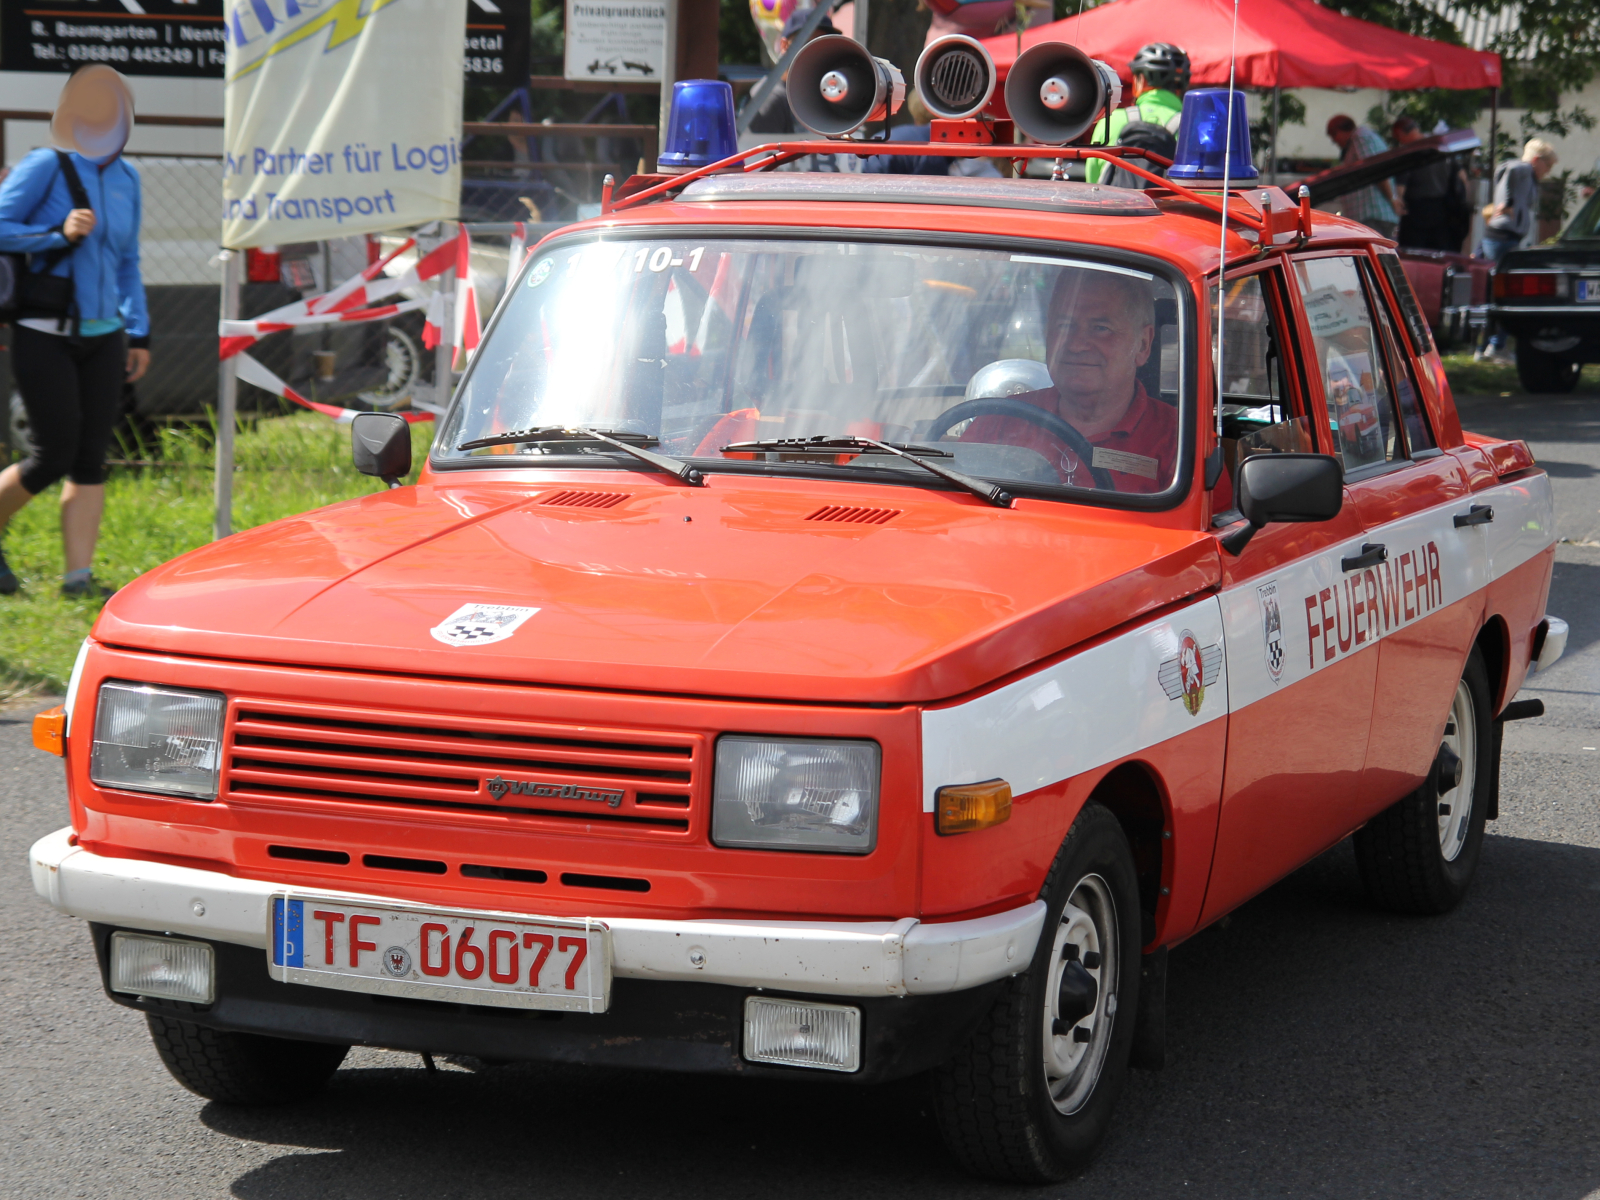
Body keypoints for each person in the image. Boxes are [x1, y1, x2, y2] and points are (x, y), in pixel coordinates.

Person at [0, 64, 149, 599]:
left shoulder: (128, 178)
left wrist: (140, 333)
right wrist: (55, 234)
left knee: (90, 459)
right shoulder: (47, 165)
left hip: (106, 335)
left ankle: (78, 580)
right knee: (52, 456)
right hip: (44, 329)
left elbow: (129, 261)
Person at [960, 269, 1172, 493]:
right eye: (1065, 326)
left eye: (1101, 329)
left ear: (1143, 344)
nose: (1076, 345)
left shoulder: (1179, 442)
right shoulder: (999, 421)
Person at [1476, 137, 1559, 363]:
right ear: (1536, 160)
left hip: (1503, 237)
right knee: (1507, 295)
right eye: (1548, 165)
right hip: (1503, 238)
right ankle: (1496, 346)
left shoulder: (1527, 176)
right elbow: (1510, 169)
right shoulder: (1522, 169)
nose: (1548, 171)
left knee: (1496, 294)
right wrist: (1509, 202)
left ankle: (1486, 347)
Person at [1085, 43, 1188, 185]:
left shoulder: (1111, 120)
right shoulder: (1192, 127)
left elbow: (1093, 179)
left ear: (1140, 80)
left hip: (1115, 205)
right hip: (1170, 206)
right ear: (1183, 83)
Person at [1391, 115, 1470, 251]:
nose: (1400, 142)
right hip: (1444, 211)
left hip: (1417, 213)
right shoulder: (1440, 146)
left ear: (1401, 134)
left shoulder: (1410, 152)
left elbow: (1400, 187)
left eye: (1398, 138)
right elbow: (1462, 177)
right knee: (1441, 254)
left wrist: (1397, 204)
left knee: (1414, 255)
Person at [1326, 115, 1399, 240]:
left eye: (1334, 137)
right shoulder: (1358, 140)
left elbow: (1375, 169)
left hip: (1373, 215)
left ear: (1339, 131)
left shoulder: (1361, 138)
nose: (1335, 142)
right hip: (1368, 217)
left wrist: (1392, 199)